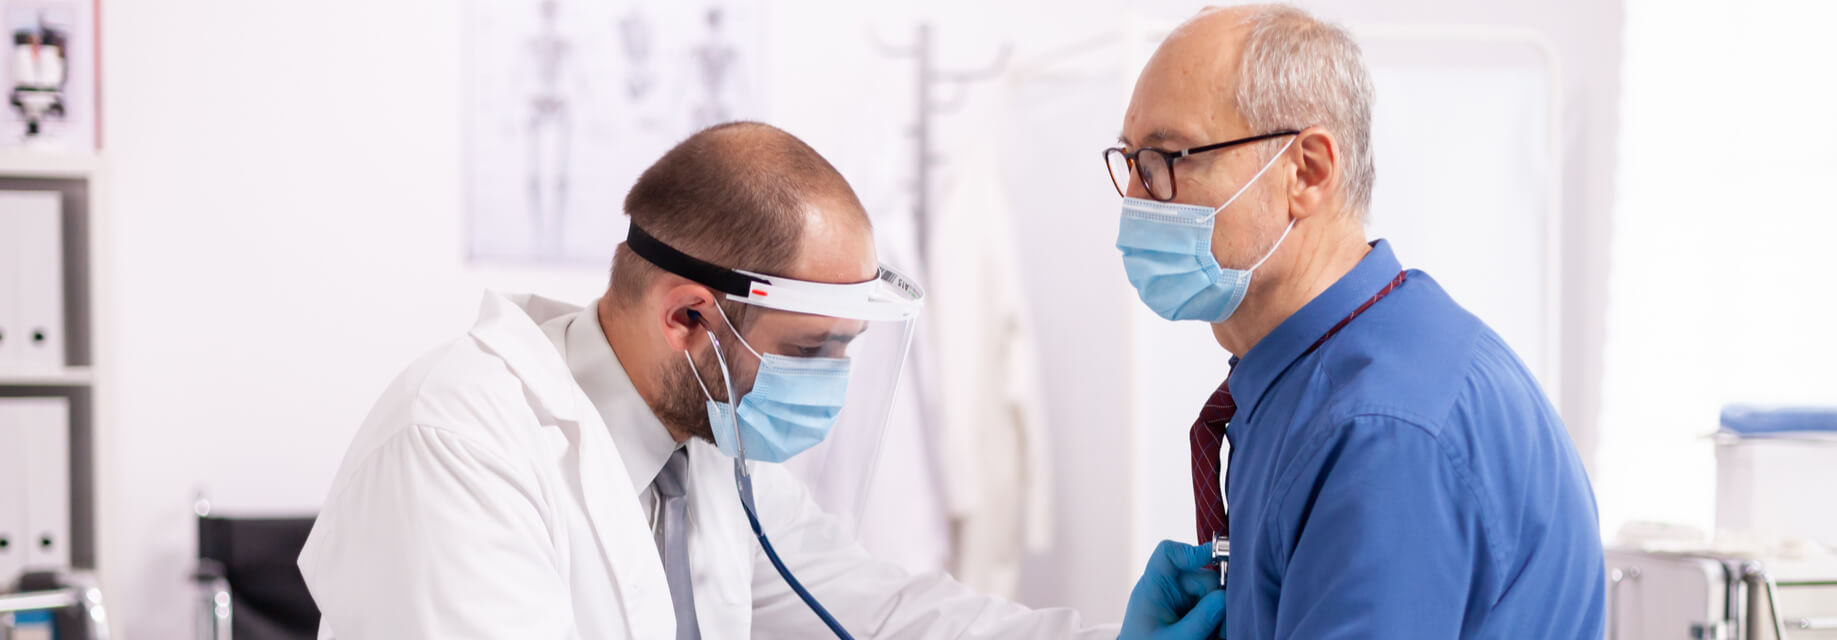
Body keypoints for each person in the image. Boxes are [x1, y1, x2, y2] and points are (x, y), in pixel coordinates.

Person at [298, 121, 1226, 639]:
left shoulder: (700, 445)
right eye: (812, 349)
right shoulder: (459, 449)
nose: (830, 382)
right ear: (689, 317)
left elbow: (875, 609)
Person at [1104, 4, 1606, 638]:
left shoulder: (1381, 433)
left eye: (1169, 157)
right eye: (1131, 162)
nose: (1136, 199)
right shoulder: (1298, 384)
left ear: (1306, 171)